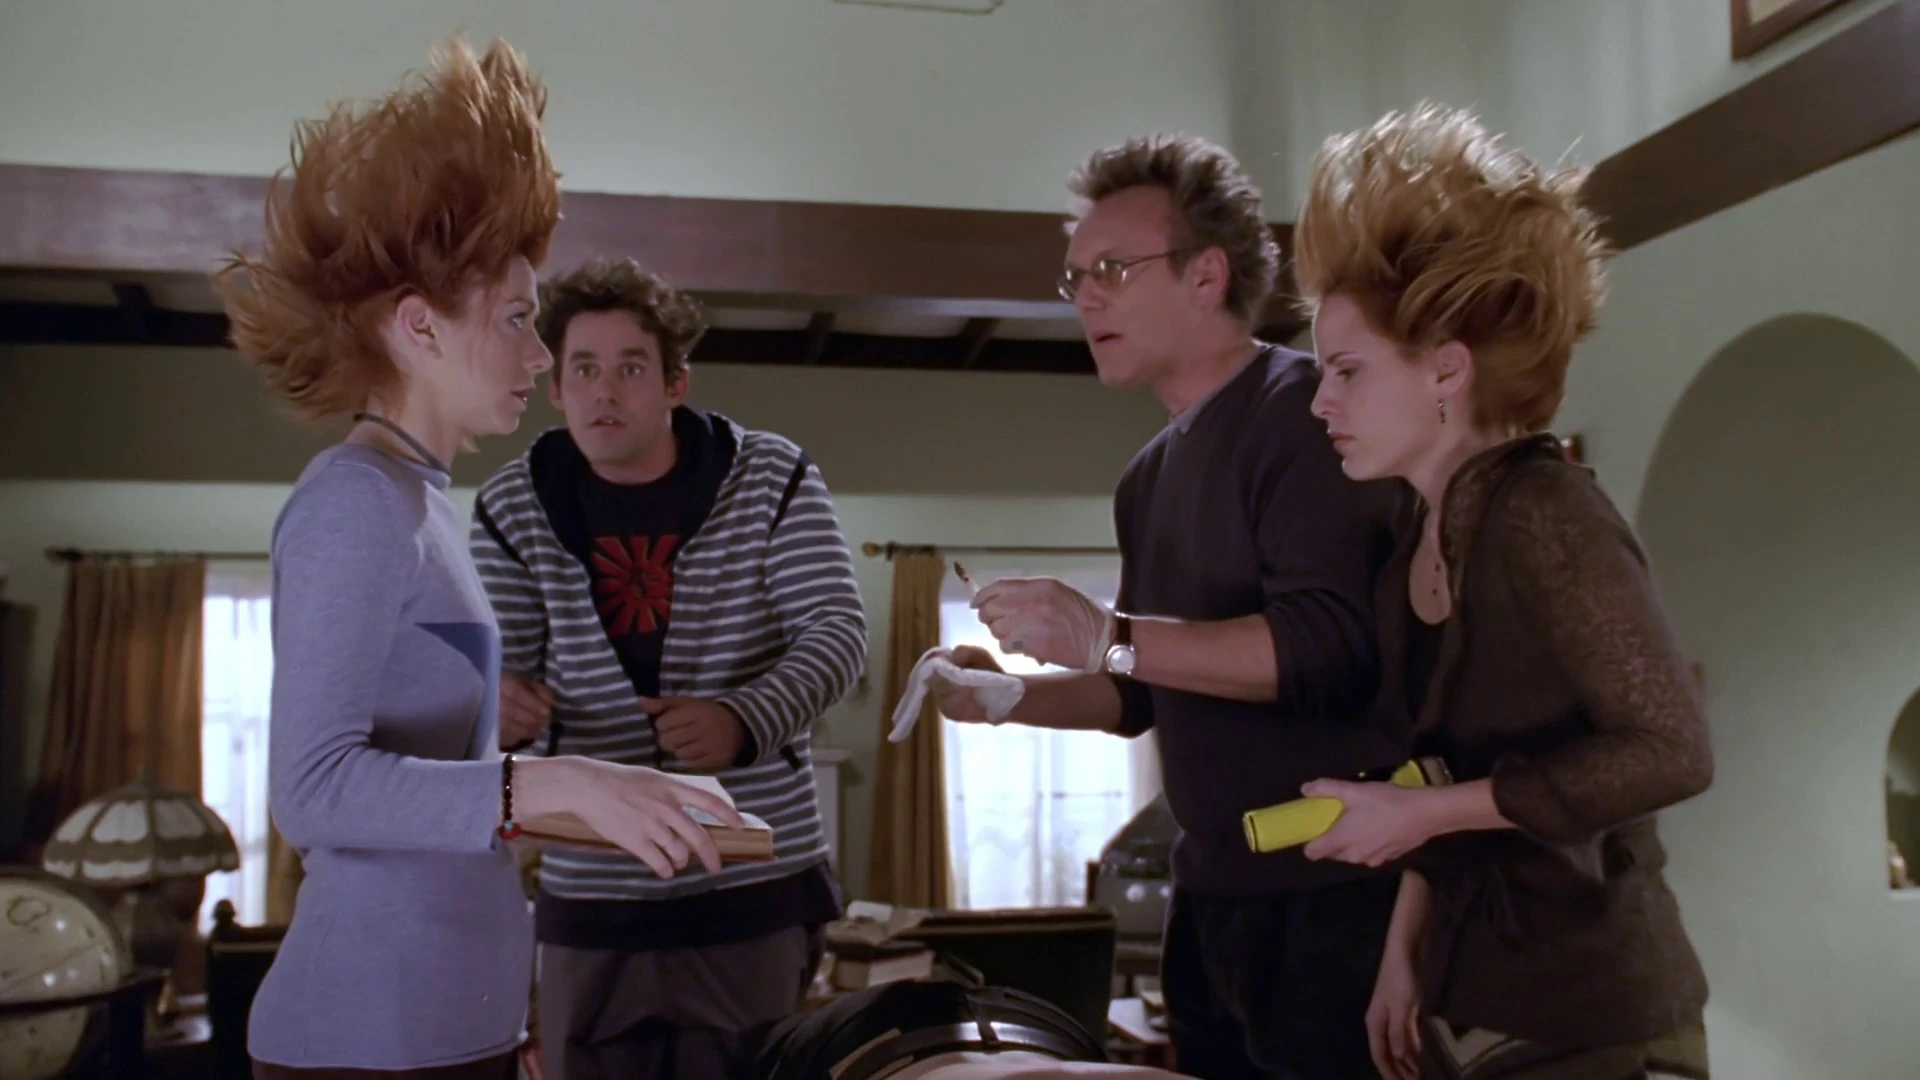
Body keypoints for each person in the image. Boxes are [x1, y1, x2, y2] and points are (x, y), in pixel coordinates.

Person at [215, 37, 742, 1079]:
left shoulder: (420, 499)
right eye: (517, 321)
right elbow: (313, 790)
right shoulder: (355, 500)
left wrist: (604, 800)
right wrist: (547, 783)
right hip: (366, 1041)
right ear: (419, 328)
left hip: (451, 1030)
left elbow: (449, 798)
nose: (540, 357)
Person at [935, 133, 1405, 1079]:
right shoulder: (1145, 478)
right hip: (1211, 897)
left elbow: (1324, 648)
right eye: (1076, 278)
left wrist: (1106, 633)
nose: (1086, 297)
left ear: (1206, 275)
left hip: (1332, 895)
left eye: (1112, 268)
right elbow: (1139, 691)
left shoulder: (1306, 414)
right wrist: (1008, 698)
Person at [1290, 103, 1714, 1079]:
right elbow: (1439, 781)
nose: (1321, 402)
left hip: (1603, 1017)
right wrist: (1402, 954)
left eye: (1346, 371)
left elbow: (1674, 751)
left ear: (1446, 369)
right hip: (1474, 1008)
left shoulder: (1547, 513)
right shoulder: (1411, 548)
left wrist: (1419, 818)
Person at [469, 257, 868, 1079]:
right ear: (556, 388)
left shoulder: (774, 477)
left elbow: (836, 632)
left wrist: (744, 719)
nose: (604, 391)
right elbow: (498, 677)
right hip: (592, 892)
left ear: (674, 385)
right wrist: (496, 709)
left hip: (752, 882)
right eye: (584, 369)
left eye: (630, 369)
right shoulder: (510, 506)